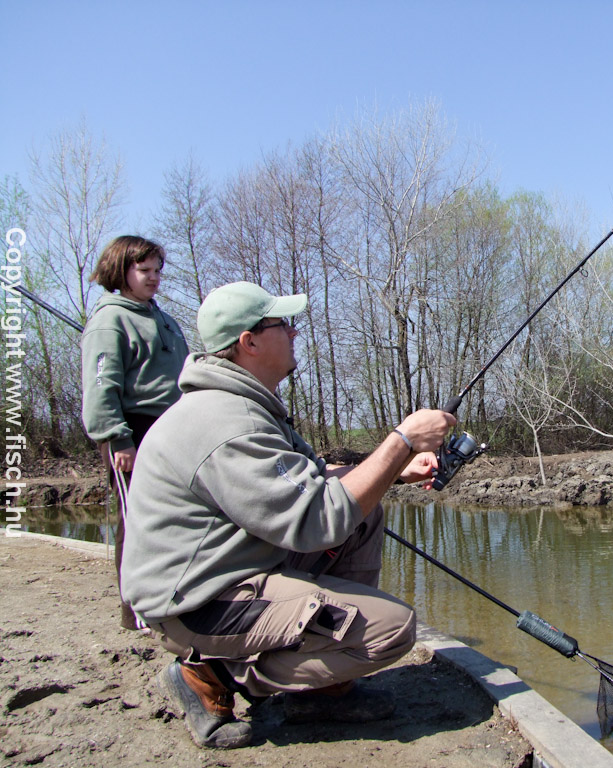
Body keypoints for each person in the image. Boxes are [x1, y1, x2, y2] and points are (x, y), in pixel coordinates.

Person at [121, 281, 455, 749]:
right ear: (249, 342)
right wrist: (401, 440)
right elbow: (318, 517)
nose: (296, 334)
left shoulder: (243, 407)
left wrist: (395, 470)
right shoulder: (226, 423)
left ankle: (322, 689)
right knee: (392, 630)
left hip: (227, 572)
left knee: (365, 515)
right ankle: (211, 674)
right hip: (199, 603)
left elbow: (310, 483)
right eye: (284, 324)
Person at [80, 235, 189, 630]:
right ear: (121, 270)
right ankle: (137, 612)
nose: (154, 277)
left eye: (158, 270)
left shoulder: (161, 317)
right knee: (138, 521)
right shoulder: (109, 319)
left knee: (171, 520)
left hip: (171, 431)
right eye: (145, 270)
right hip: (134, 430)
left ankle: (171, 599)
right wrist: (117, 438)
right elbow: (100, 387)